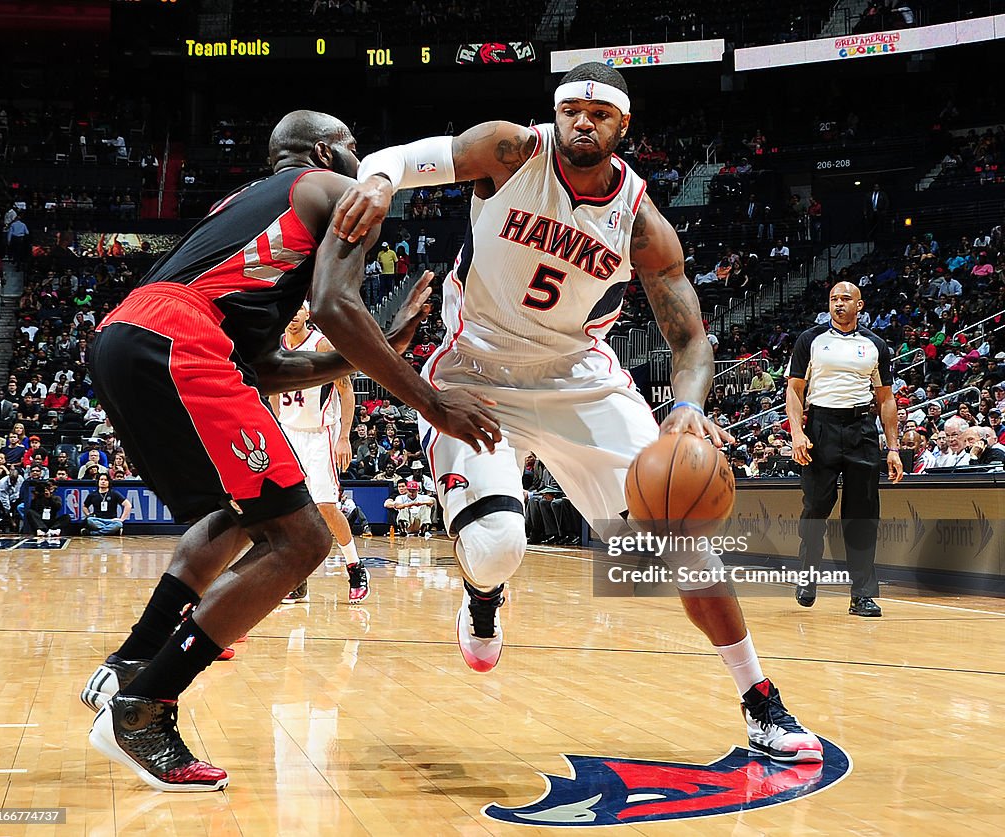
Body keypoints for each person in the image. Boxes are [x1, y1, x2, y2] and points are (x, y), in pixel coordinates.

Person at [331, 63, 822, 763]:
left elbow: (690, 339)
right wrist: (378, 181)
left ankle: (760, 700)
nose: (581, 121)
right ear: (555, 115)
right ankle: (482, 592)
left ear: (623, 126)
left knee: (680, 538)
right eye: (571, 110)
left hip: (578, 380)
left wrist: (686, 406)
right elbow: (399, 159)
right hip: (477, 372)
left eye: (599, 113)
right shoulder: (511, 152)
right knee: (499, 545)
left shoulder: (642, 220)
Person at [81, 110, 499, 792]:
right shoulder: (333, 189)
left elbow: (266, 368)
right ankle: (142, 709)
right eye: (357, 148)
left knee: (238, 514)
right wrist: (429, 398)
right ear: (326, 149)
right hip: (182, 342)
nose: (365, 163)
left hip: (127, 335)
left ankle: (129, 663)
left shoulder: (251, 212)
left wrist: (382, 348)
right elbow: (335, 306)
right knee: (301, 543)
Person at [786, 282, 903, 618]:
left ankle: (862, 595)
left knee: (863, 515)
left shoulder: (875, 344)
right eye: (834, 299)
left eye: (845, 299)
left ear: (859, 305)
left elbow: (886, 398)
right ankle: (807, 575)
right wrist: (796, 432)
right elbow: (795, 390)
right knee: (816, 507)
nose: (838, 304)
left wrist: (892, 447)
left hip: (861, 430)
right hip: (820, 429)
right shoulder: (810, 340)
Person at [270, 303, 370, 604]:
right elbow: (274, 391)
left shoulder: (321, 343)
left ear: (308, 313)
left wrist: (343, 438)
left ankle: (355, 567)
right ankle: (298, 581)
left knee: (325, 506)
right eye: (291, 308)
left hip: (320, 434)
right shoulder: (276, 344)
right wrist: (276, 429)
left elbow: (345, 390)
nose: (293, 314)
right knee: (290, 511)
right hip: (289, 433)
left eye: (299, 308)